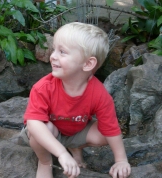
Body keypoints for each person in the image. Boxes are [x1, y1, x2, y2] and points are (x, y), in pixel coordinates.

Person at [23, 22, 131, 178]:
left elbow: (111, 128)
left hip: (75, 131)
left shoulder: (99, 94)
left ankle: (75, 147)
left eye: (62, 52)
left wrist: (121, 160)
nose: (52, 56)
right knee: (42, 129)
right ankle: (45, 162)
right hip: (50, 132)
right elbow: (33, 123)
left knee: (103, 133)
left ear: (88, 64)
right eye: (54, 49)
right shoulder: (43, 88)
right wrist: (61, 154)